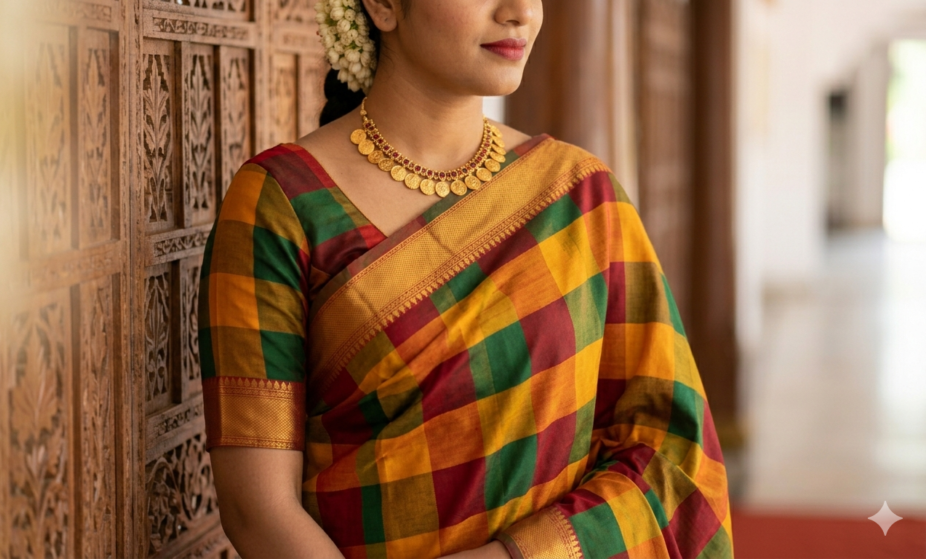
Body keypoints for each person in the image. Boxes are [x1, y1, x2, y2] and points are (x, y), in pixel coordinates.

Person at [199, 0, 734, 557]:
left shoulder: (579, 197)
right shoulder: (280, 206)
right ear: (382, 6)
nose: (521, 12)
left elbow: (671, 453)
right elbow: (257, 509)